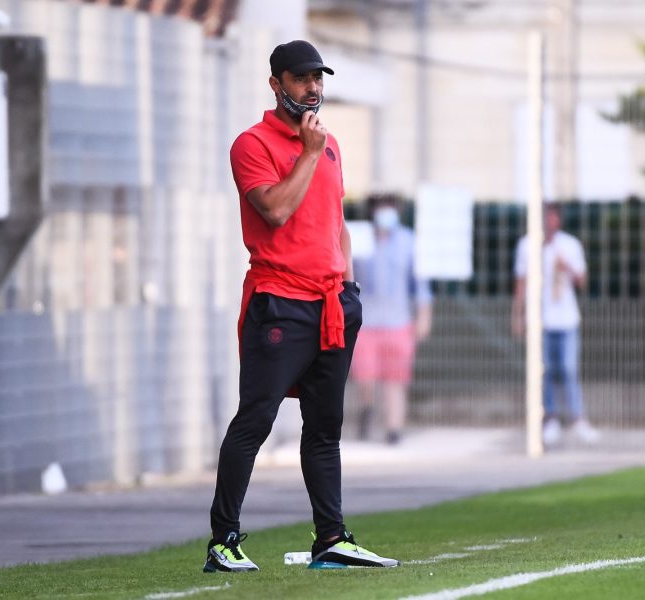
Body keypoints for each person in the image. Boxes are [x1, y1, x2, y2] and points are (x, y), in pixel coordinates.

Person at [204, 40, 398, 573]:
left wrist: (349, 288)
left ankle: (330, 539)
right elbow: (275, 211)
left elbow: (335, 220)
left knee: (324, 428)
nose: (313, 88)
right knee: (256, 420)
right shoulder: (252, 144)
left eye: (318, 78)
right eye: (301, 79)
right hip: (279, 304)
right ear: (276, 84)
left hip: (332, 304)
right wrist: (308, 153)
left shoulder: (330, 145)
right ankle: (224, 541)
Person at [511, 203, 599, 446]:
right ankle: (549, 419)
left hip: (567, 319)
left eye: (553, 218)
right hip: (539, 320)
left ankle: (578, 418)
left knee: (569, 369)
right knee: (545, 371)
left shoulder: (569, 245)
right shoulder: (527, 246)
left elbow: (582, 280)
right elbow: (520, 284)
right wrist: (517, 316)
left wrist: (566, 266)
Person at [351, 193, 432, 445]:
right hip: (366, 320)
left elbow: (420, 283)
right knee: (365, 375)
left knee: (395, 378)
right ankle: (367, 407)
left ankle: (394, 428)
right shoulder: (359, 240)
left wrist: (424, 315)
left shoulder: (409, 241)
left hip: (398, 321)